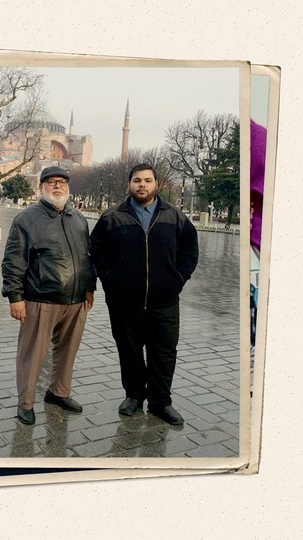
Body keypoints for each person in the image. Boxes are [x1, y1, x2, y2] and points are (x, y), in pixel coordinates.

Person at [90, 163, 199, 425]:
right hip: (125, 302)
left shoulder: (174, 216)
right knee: (130, 351)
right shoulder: (112, 217)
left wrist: (178, 280)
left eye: (147, 181)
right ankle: (134, 396)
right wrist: (111, 280)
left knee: (163, 352)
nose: (142, 185)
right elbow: (97, 251)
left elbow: (190, 251)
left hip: (164, 301)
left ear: (156, 185)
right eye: (137, 180)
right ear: (129, 184)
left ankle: (161, 402)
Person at [1, 166, 96, 425]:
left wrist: (89, 287)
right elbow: (13, 261)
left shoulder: (78, 218)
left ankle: (58, 392)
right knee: (32, 356)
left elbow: (87, 258)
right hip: (40, 299)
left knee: (67, 352)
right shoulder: (27, 219)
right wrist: (15, 297)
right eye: (52, 182)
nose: (57, 186)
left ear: (68, 187)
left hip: (75, 301)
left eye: (62, 182)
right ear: (42, 187)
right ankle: (26, 403)